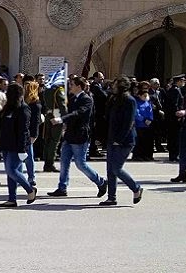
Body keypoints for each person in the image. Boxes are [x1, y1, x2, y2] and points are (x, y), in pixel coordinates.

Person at [49, 77, 108, 198]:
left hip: (80, 136)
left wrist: (62, 119)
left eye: (72, 84)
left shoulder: (87, 99)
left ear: (79, 86)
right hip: (70, 135)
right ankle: (62, 187)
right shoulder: (72, 98)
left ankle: (101, 182)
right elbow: (67, 112)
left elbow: (78, 113)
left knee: (81, 164)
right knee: (64, 162)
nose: (70, 86)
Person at [104, 76, 143, 206]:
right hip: (111, 138)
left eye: (115, 85)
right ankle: (111, 197)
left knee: (116, 168)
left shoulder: (129, 100)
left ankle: (136, 188)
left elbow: (129, 122)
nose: (113, 87)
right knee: (110, 170)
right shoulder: (114, 99)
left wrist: (119, 140)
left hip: (124, 141)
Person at [0, 83, 37, 207]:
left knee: (12, 170)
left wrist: (22, 149)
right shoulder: (7, 108)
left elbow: (23, 130)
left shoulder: (23, 108)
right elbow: (0, 126)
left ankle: (30, 190)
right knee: (9, 173)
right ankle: (11, 198)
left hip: (17, 145)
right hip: (6, 144)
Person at [24, 80, 43, 188]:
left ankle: (31, 177)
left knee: (29, 156)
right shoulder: (24, 100)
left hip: (29, 132)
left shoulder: (35, 103)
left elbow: (36, 121)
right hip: (22, 130)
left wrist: (34, 135)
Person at [164, 75, 186, 162]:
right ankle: (174, 155)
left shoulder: (172, 89)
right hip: (174, 118)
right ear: (178, 81)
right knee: (175, 137)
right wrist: (178, 115)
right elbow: (175, 104)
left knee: (172, 136)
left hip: (171, 117)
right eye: (182, 80)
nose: (184, 82)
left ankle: (173, 155)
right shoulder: (176, 90)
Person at [134, 89, 156, 162]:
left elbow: (150, 112)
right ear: (140, 96)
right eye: (144, 96)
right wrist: (143, 120)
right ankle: (138, 155)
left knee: (148, 141)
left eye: (146, 95)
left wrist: (150, 119)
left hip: (148, 125)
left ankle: (147, 155)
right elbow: (136, 114)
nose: (146, 97)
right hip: (140, 125)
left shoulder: (148, 103)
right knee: (140, 142)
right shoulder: (137, 103)